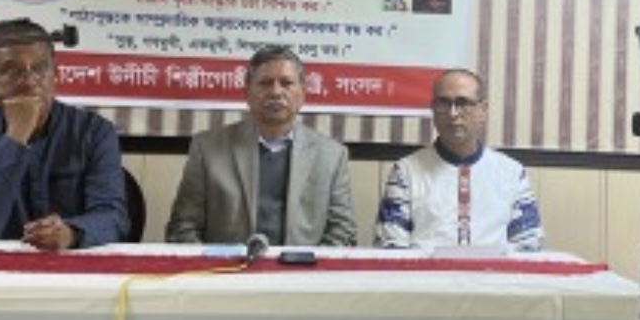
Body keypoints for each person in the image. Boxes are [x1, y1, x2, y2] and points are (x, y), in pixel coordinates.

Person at [0, 18, 128, 250]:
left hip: (73, 263)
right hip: (0, 264)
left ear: (55, 73)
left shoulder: (94, 132)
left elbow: (114, 218)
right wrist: (16, 135)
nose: (31, 82)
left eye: (40, 68)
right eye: (13, 71)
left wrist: (71, 233)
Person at [166, 45, 357, 246]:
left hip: (304, 265)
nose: (276, 92)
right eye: (265, 83)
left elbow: (343, 232)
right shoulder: (207, 149)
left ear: (302, 93)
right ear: (247, 93)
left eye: (286, 83)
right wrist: (214, 265)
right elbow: (183, 228)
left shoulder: (332, 156)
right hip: (226, 265)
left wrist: (312, 266)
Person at [375, 69, 543, 251]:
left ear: (483, 110)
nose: (453, 113)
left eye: (463, 103)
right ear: (433, 109)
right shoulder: (405, 172)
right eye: (443, 103)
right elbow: (390, 247)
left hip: (494, 270)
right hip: (425, 270)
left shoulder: (512, 173)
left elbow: (529, 246)